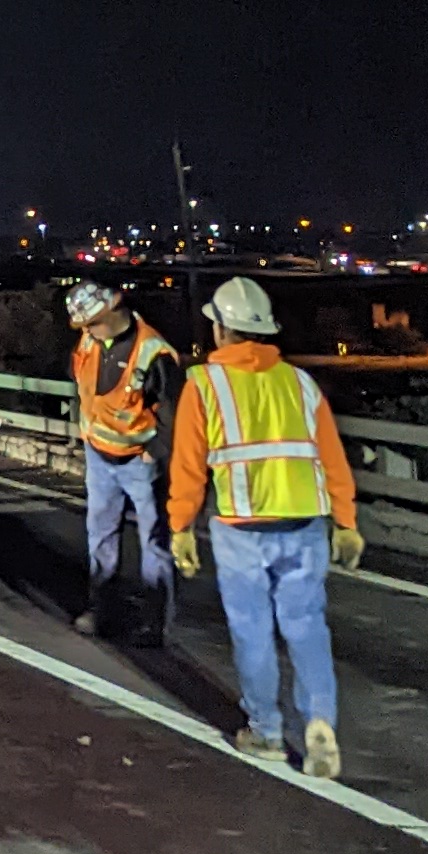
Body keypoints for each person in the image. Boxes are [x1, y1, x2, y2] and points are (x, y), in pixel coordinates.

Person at [166, 276, 364, 778]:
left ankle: (267, 732)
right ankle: (320, 722)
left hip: (241, 526)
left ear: (220, 329)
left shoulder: (203, 384)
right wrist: (346, 522)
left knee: (253, 632)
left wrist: (181, 526)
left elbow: (189, 465)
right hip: (304, 521)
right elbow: (333, 459)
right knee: (307, 627)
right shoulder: (300, 383)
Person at [63, 278, 181, 637]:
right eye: (86, 325)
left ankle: (153, 622)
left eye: (95, 323)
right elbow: (81, 382)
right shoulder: (89, 339)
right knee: (100, 535)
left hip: (139, 461)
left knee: (155, 542)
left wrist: (154, 454)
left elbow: (173, 414)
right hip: (99, 454)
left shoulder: (153, 353)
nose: (90, 331)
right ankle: (101, 610)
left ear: (115, 306)